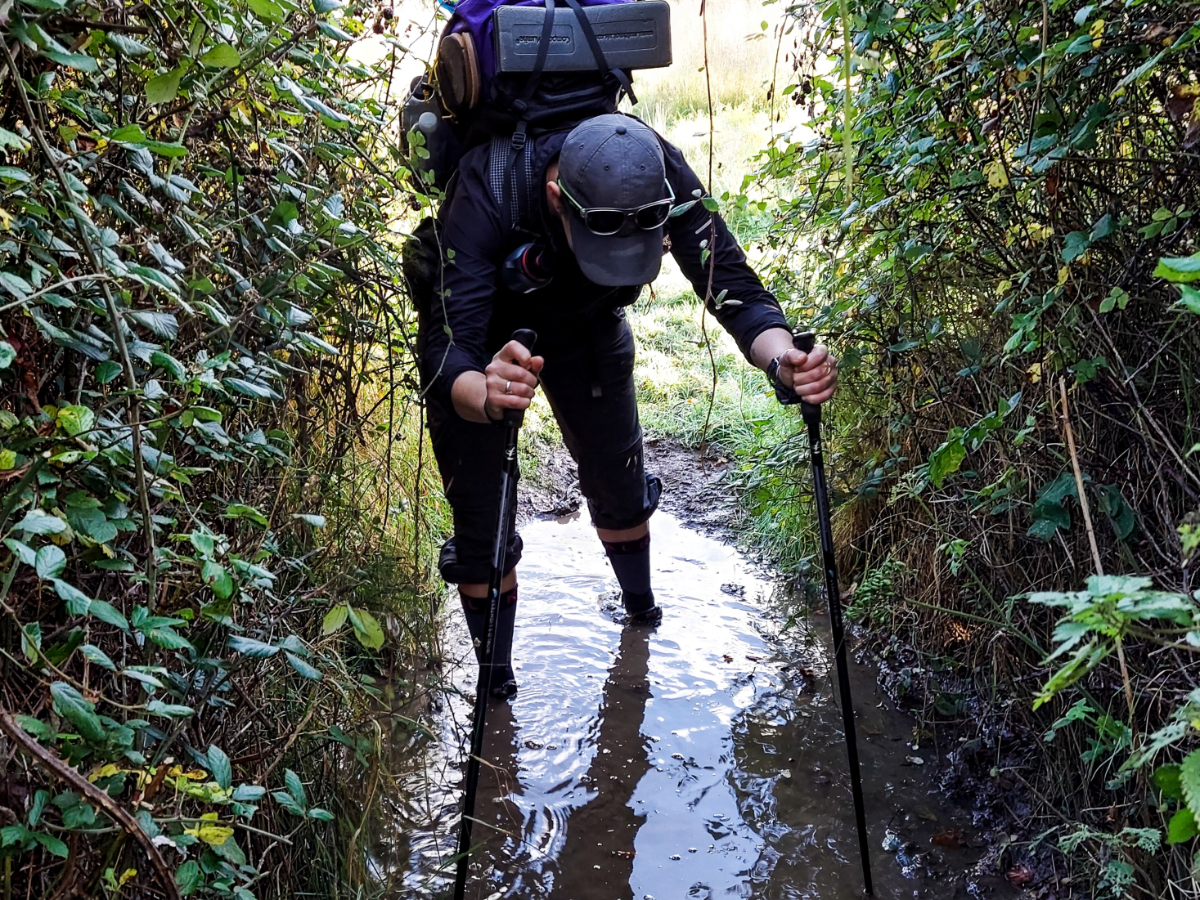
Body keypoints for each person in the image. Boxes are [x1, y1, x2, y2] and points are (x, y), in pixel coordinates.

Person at [417, 114, 838, 699]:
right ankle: (497, 686)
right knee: (482, 524)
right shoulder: (488, 187)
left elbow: (732, 286)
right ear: (556, 198)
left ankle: (642, 615)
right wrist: (484, 394)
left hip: (589, 324)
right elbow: (446, 351)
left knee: (620, 477)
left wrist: (782, 359)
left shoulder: (657, 168)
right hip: (486, 346)